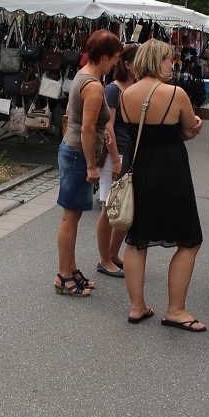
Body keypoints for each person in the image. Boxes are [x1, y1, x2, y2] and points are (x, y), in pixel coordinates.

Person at [117, 40, 205, 330]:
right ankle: (176, 309)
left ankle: (136, 306)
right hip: (170, 171)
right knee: (189, 240)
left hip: (138, 168)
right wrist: (195, 127)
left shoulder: (126, 94)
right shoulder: (175, 93)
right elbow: (187, 131)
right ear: (158, 61)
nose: (172, 65)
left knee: (136, 239)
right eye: (169, 60)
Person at [55, 29, 123, 297]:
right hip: (77, 155)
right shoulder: (93, 86)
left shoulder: (82, 75)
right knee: (70, 217)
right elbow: (85, 129)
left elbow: (79, 118)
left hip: (73, 151)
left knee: (73, 215)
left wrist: (98, 136)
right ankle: (63, 274)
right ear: (104, 56)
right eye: (114, 59)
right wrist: (92, 165)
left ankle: (70, 269)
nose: (115, 64)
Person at [94, 43, 138, 278]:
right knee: (109, 208)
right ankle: (104, 259)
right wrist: (114, 158)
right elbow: (108, 126)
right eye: (137, 61)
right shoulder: (113, 90)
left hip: (128, 153)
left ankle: (112, 254)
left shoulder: (135, 88)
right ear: (128, 64)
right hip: (116, 154)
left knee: (125, 208)